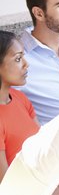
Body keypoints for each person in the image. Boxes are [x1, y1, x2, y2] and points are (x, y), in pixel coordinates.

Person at [0, 30, 39, 183]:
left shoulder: (19, 98)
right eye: (18, 59)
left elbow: (43, 146)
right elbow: (5, 182)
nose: (26, 64)